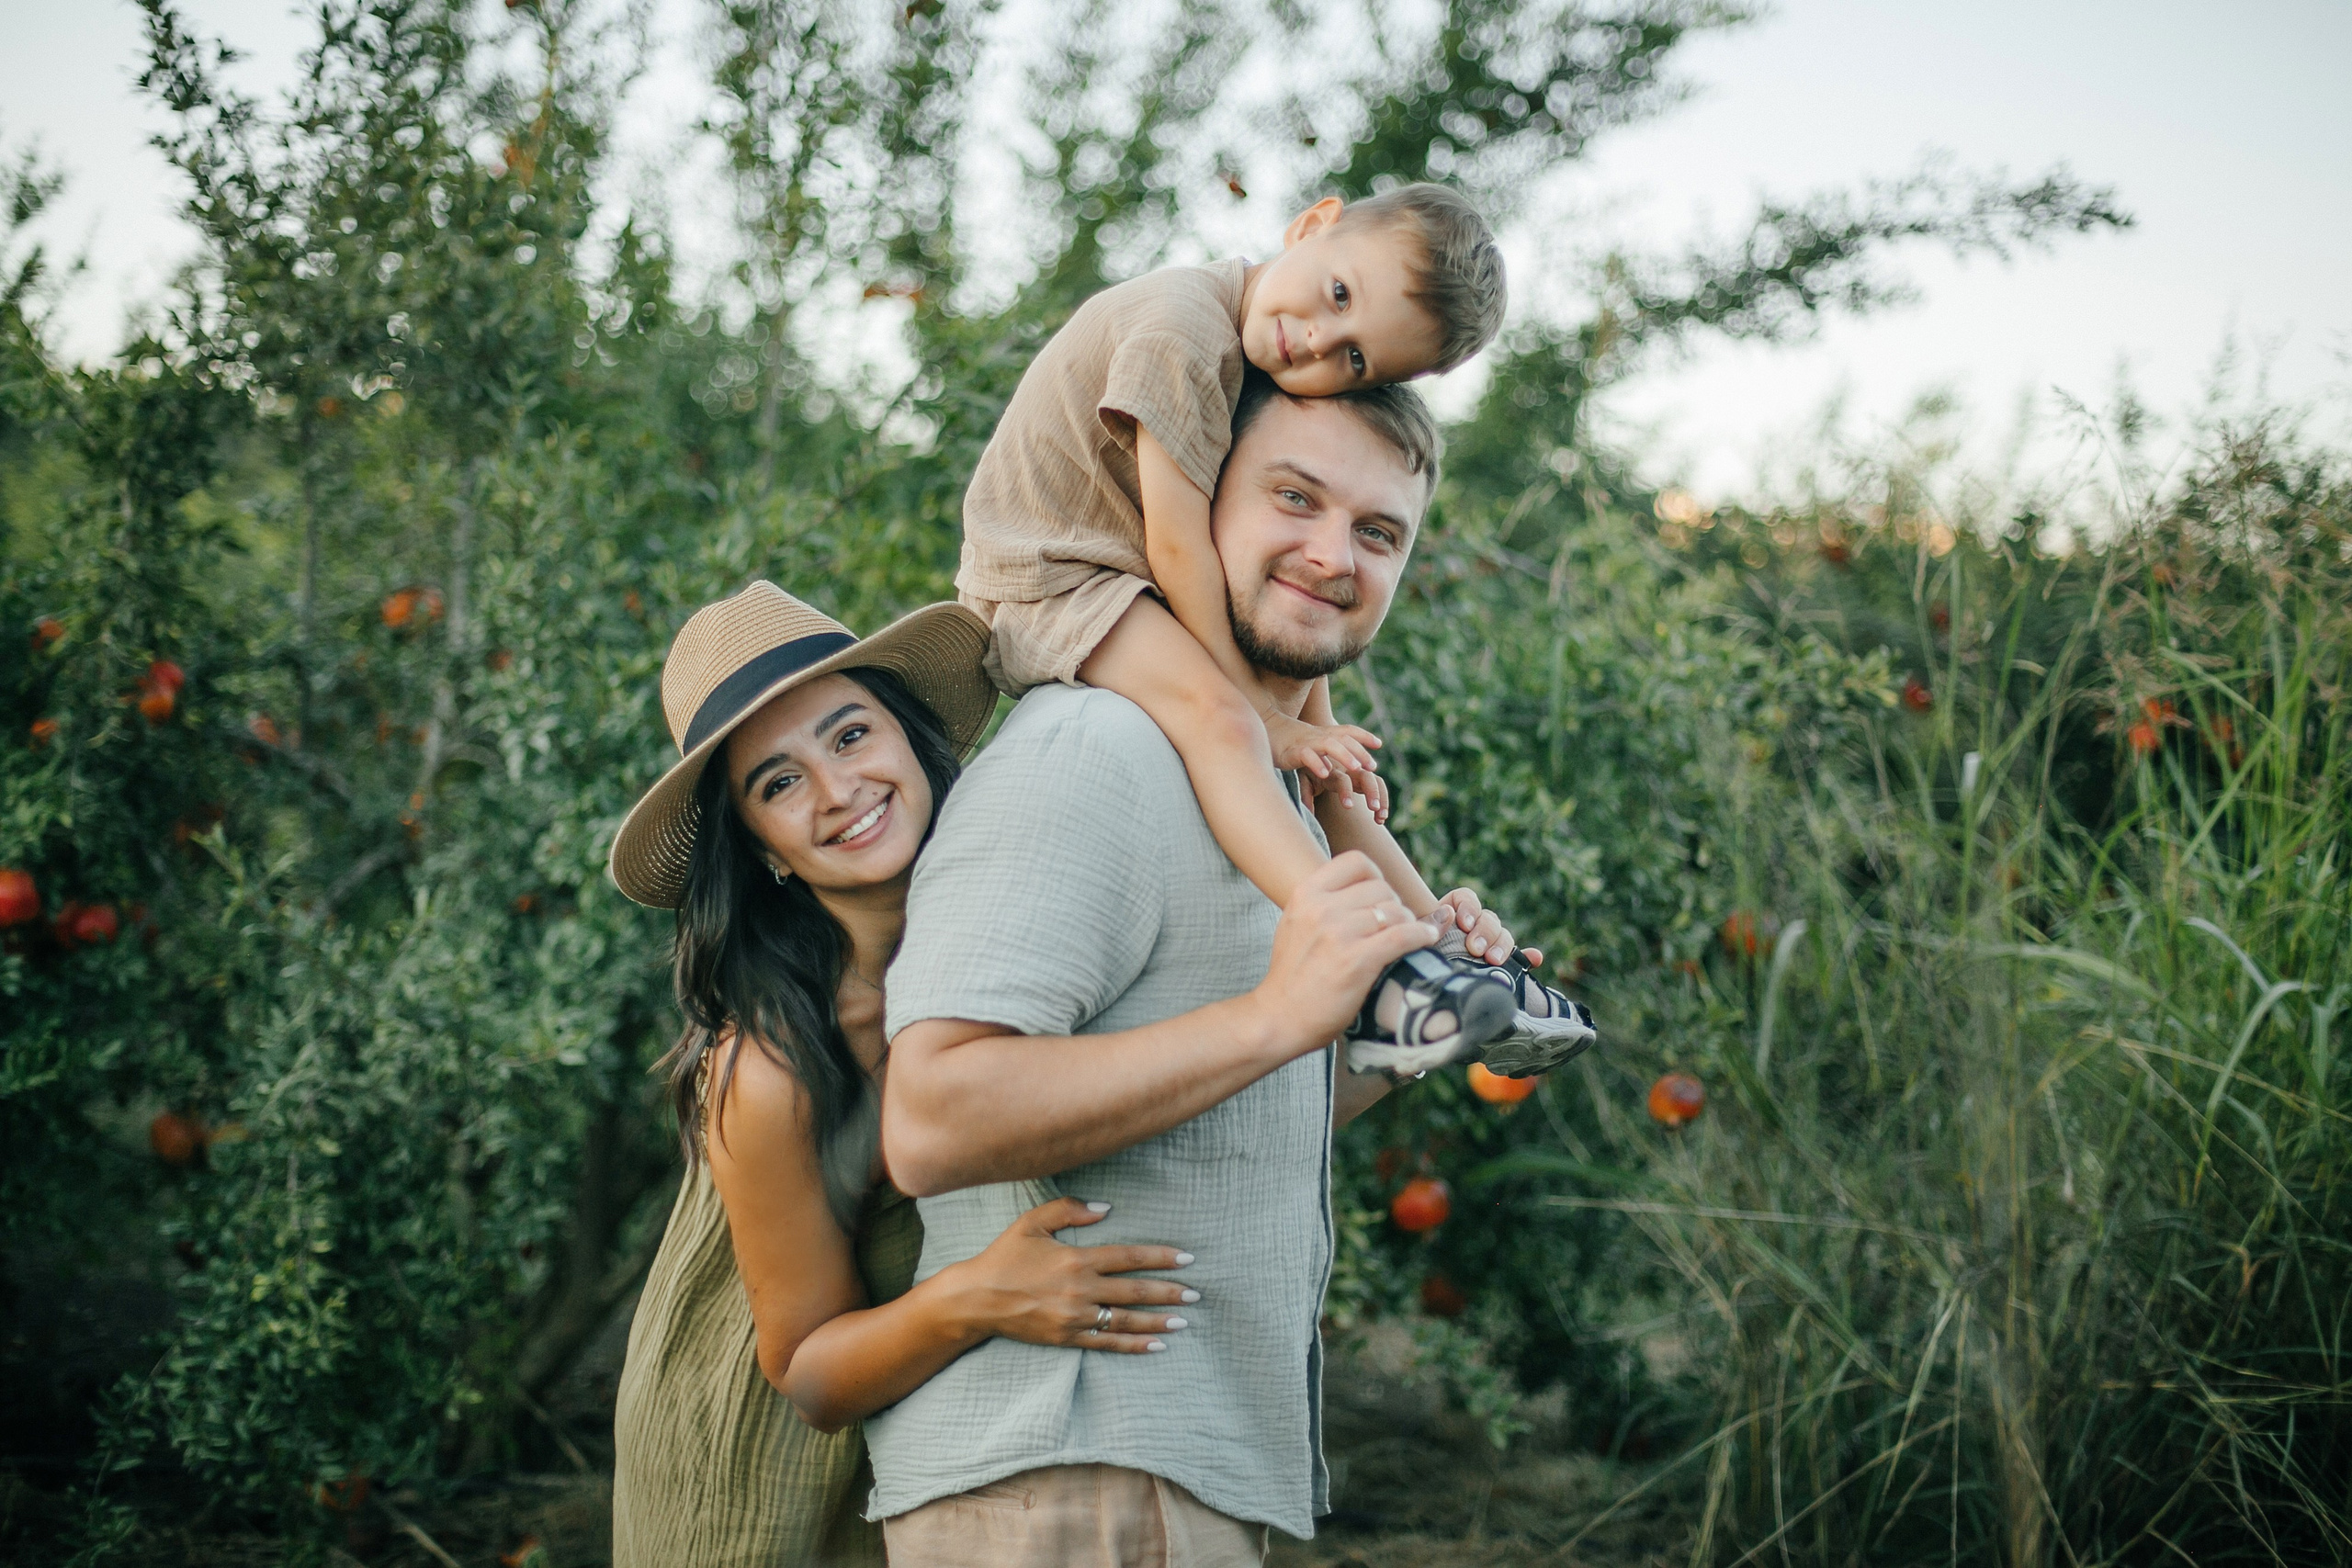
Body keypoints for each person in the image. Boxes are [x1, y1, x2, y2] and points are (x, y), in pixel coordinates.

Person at [873, 372, 1572, 1566]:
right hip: (1064, 1474)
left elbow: (1224, 1112)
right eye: (1293, 498)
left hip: (1166, 1472)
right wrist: (1271, 1017)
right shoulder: (1092, 747)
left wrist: (1410, 1020)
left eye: (1378, 531)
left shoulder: (1272, 803)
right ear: (1191, 510)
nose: (1333, 555)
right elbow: (932, 1118)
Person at [604, 584, 1203, 1567]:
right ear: (761, 849)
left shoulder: (1005, 930)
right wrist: (980, 1295)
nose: (838, 789)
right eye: (780, 783)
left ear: (911, 737)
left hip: (922, 1427)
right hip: (750, 1458)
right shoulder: (772, 1067)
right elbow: (805, 1370)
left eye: (849, 735)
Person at [956, 182, 1540, 1069]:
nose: (1318, 341)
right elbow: (1177, 544)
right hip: (1048, 579)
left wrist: (1311, 722)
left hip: (1110, 569)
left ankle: (1444, 952)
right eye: (1337, 294)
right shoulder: (1182, 331)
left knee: (1318, 759)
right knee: (1227, 722)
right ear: (1312, 224)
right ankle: (1380, 970)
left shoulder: (1254, 345)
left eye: (1354, 360)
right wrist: (1266, 716)